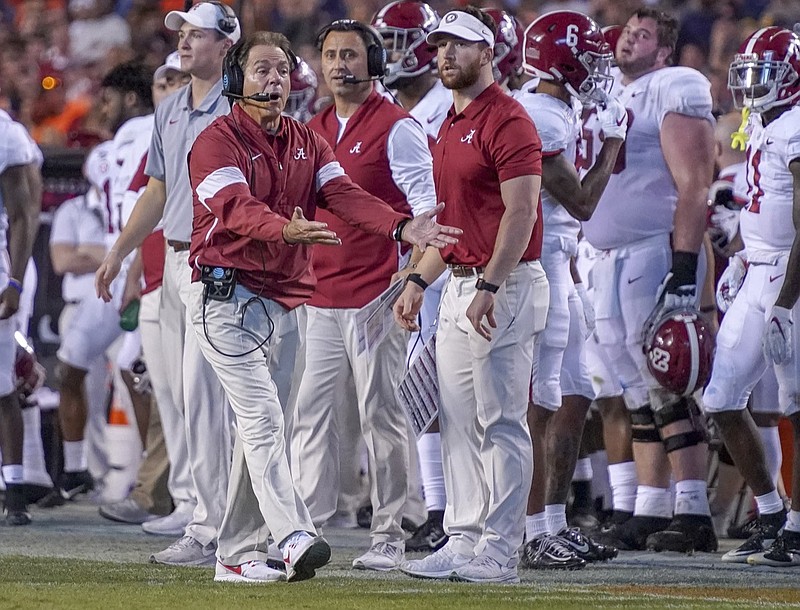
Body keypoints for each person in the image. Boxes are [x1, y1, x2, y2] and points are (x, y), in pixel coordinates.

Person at [184, 31, 459, 583]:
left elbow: (343, 196)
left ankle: (235, 554)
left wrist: (402, 226)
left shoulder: (306, 141)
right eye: (262, 69)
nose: (275, 80)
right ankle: (292, 534)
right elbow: (235, 208)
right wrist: (284, 228)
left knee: (268, 428)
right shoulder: (214, 142)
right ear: (236, 80)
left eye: (283, 70)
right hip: (225, 299)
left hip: (283, 304)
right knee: (264, 420)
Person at [394, 7, 548, 584]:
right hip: (461, 284)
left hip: (500, 286)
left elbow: (521, 212)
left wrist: (490, 283)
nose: (445, 55)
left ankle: (502, 549)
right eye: (440, 45)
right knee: (457, 419)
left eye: (459, 45)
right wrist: (416, 279)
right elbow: (453, 224)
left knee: (501, 421)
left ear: (488, 51)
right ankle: (462, 537)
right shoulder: (451, 123)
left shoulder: (508, 119)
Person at [95, 1, 242, 566]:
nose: (182, 42)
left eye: (195, 34)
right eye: (180, 34)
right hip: (176, 264)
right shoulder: (173, 106)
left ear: (226, 43)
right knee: (185, 397)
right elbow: (156, 191)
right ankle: (203, 514)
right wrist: (119, 251)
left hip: (220, 264)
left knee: (210, 399)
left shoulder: (245, 106)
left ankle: (215, 525)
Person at [289, 18, 436, 572]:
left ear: (373, 62)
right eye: (330, 54)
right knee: (310, 415)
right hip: (321, 293)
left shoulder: (396, 126)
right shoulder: (315, 125)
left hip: (377, 294)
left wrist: (414, 277)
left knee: (383, 416)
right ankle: (304, 527)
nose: (338, 65)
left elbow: (427, 208)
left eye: (350, 54)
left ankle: (389, 535)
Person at [579, 8, 717, 553]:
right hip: (610, 255)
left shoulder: (674, 85)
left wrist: (684, 271)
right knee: (633, 386)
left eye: (643, 35)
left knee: (666, 379)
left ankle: (694, 511)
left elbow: (693, 186)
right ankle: (652, 506)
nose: (627, 39)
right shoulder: (612, 91)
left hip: (654, 249)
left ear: (663, 52)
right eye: (627, 30)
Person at [514, 10, 626, 570]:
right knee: (539, 402)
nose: (600, 68)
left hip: (563, 261)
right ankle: (532, 530)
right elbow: (580, 202)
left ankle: (554, 523)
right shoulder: (539, 113)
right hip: (539, 264)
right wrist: (611, 145)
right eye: (591, 56)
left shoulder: (556, 107)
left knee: (577, 391)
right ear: (564, 57)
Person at [703, 26, 800, 566]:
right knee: (720, 398)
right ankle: (770, 513)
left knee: (795, 404)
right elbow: (765, 207)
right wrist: (743, 255)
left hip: (791, 276)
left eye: (764, 75)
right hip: (760, 270)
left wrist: (786, 300)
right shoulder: (765, 122)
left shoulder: (797, 124)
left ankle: (798, 529)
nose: (752, 87)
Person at [98, 53, 193, 526]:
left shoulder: (215, 121)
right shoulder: (161, 130)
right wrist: (127, 260)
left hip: (198, 271)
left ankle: (195, 501)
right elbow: (149, 202)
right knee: (168, 393)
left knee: (197, 393)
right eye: (163, 81)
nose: (170, 88)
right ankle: (181, 498)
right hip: (156, 274)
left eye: (179, 78)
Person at [372, 0, 453, 553]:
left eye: (401, 41)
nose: (392, 55)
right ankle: (438, 507)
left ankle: (455, 510)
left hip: (444, 257)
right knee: (421, 385)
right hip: (413, 258)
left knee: (451, 386)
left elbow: (445, 199)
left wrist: (419, 265)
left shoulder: (446, 104)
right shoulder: (392, 107)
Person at [54, 62, 154, 501]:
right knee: (72, 366)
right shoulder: (103, 155)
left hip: (140, 262)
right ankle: (77, 470)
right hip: (113, 264)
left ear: (130, 99)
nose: (101, 109)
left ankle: (156, 477)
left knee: (142, 374)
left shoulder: (159, 130)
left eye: (109, 99)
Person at [0, 100, 42, 525]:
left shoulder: (6, 134)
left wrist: (13, 282)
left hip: (0, 264)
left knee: (1, 382)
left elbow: (23, 215)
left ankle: (15, 493)